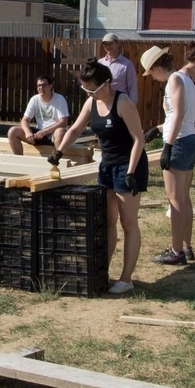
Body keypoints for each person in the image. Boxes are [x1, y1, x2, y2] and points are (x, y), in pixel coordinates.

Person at [47, 58, 149, 295]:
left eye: (92, 89)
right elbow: (74, 129)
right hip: (107, 167)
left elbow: (138, 139)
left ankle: (126, 278)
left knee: (128, 222)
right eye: (85, 90)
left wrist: (132, 171)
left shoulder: (122, 102)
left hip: (128, 166)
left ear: (106, 84)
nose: (89, 93)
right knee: (108, 221)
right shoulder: (91, 103)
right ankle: (104, 270)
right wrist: (59, 151)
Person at [140, 46, 195, 265]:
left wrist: (167, 145)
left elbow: (178, 115)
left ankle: (176, 252)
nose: (152, 78)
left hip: (180, 142)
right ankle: (186, 246)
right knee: (183, 198)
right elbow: (179, 115)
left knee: (175, 199)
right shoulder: (186, 79)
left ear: (156, 68)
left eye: (151, 73)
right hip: (190, 139)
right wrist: (157, 129)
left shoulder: (173, 81)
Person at [7, 76, 69, 155]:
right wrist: (27, 132)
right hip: (39, 134)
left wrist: (45, 131)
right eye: (39, 85)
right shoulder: (34, 99)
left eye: (44, 85)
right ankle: (19, 160)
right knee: (13, 131)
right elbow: (25, 120)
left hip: (54, 134)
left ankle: (56, 161)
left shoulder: (59, 99)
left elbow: (63, 122)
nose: (41, 87)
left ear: (51, 86)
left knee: (60, 131)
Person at [98, 33, 138, 104]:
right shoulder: (100, 63)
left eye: (110, 43)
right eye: (105, 44)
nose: (108, 46)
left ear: (118, 44)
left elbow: (132, 88)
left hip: (120, 104)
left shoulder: (127, 64)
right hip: (103, 103)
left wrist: (131, 107)